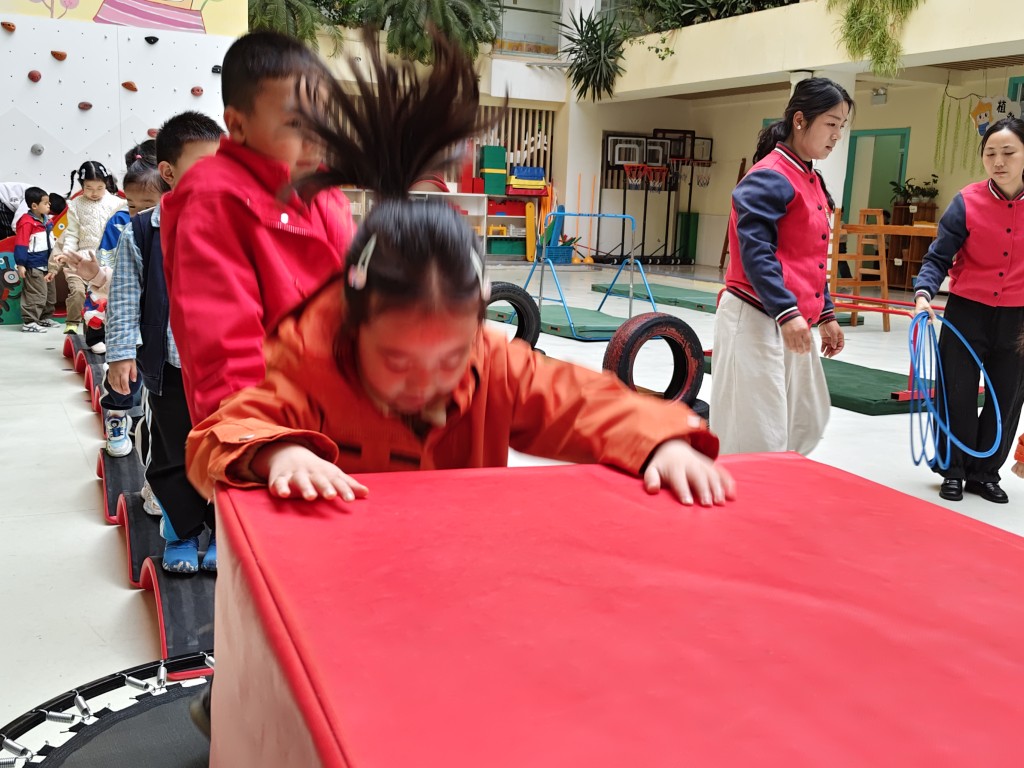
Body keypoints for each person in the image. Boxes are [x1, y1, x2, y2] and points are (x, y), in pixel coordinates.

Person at [185, 29, 735, 515]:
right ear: (354, 328)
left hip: (455, 552)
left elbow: (582, 401)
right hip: (338, 538)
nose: (425, 383)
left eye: (449, 360)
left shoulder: (490, 362)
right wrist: (276, 450)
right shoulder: (313, 366)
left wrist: (660, 441)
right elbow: (225, 418)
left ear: (475, 328)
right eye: (397, 362)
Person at [161, 30, 356, 425]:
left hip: (343, 417)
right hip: (274, 430)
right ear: (238, 125)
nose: (316, 140)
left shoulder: (325, 193)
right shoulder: (213, 200)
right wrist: (261, 442)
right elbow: (224, 354)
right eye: (296, 123)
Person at [106, 111, 224, 572]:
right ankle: (181, 533)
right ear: (169, 172)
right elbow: (124, 297)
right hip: (171, 369)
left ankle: (223, 533)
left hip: (229, 371)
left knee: (228, 451)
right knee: (174, 453)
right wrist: (120, 354)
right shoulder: (142, 232)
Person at [710, 77, 853, 456]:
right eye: (831, 124)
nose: (837, 136)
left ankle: (773, 485)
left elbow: (810, 255)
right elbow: (757, 253)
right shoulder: (769, 176)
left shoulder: (811, 178)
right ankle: (743, 490)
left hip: (788, 316)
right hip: (756, 315)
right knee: (756, 433)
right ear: (800, 120)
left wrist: (825, 313)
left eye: (841, 126)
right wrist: (787, 312)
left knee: (806, 419)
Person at [914, 116, 1024, 504]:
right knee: (956, 392)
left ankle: (985, 473)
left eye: (1008, 152)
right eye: (990, 153)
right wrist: (923, 293)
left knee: (1007, 396)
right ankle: (954, 470)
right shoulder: (966, 202)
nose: (999, 161)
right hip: (966, 313)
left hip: (1018, 319)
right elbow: (938, 257)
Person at [94, 147, 167, 457]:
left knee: (146, 386)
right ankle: (116, 416)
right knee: (123, 379)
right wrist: (95, 275)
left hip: (158, 332)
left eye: (148, 206)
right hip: (128, 327)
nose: (138, 213)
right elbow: (120, 285)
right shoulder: (128, 229)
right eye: (132, 206)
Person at [49, 161, 127, 343]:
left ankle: (112, 337)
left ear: (106, 183)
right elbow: (72, 234)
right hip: (85, 256)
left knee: (108, 297)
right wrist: (68, 254)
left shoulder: (117, 203)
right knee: (91, 299)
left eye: (100, 188)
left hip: (109, 255)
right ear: (82, 185)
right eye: (89, 188)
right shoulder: (76, 205)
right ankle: (93, 338)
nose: (94, 193)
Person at [13, 187, 57, 333]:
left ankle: (44, 317)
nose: (49, 205)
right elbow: (21, 243)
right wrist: (21, 264)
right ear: (34, 206)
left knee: (49, 294)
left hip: (47, 263)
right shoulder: (26, 222)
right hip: (34, 264)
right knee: (36, 294)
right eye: (46, 203)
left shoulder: (47, 220)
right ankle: (29, 322)